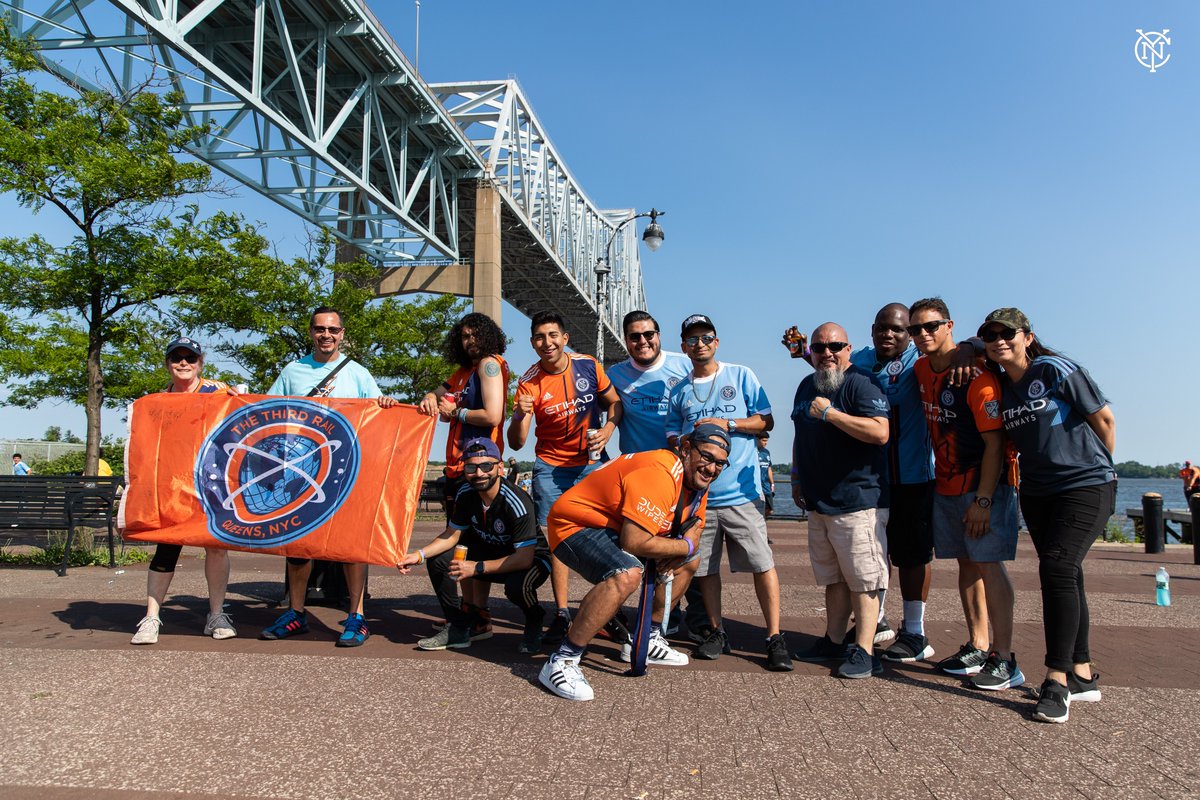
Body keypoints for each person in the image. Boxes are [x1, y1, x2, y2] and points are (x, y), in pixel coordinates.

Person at [980, 308, 1116, 723]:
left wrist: (1094, 470)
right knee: (1066, 573)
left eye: (1008, 333)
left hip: (1085, 486)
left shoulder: (1055, 369)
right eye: (990, 335)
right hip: (1038, 492)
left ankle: (1055, 680)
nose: (999, 340)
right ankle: (1082, 674)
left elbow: (1104, 421)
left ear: (1027, 337)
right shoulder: (1000, 386)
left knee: (1056, 568)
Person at [538, 424, 729, 701]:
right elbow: (634, 541)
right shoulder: (661, 473)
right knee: (627, 573)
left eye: (720, 463)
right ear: (686, 449)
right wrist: (682, 545)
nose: (712, 468)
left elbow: (695, 525)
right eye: (707, 457)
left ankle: (646, 639)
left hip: (612, 527)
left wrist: (685, 548)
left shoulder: (697, 481)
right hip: (573, 525)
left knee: (690, 562)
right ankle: (562, 660)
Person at [260, 308, 399, 647]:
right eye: (320, 329)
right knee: (299, 546)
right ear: (310, 332)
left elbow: (377, 417)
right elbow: (266, 410)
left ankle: (357, 616)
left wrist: (385, 403)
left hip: (344, 471)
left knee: (351, 547)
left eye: (333, 330)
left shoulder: (358, 373)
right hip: (301, 472)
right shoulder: (292, 371)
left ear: (342, 333)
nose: (326, 335)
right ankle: (296, 613)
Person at [905, 299, 1023, 691]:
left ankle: (1005, 659)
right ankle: (978, 643)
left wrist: (984, 500)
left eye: (931, 326)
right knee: (967, 564)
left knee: (989, 564)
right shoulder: (921, 367)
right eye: (915, 329)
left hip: (983, 486)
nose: (923, 334)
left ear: (949, 325)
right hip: (946, 484)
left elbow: (995, 443)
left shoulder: (977, 376)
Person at [666, 314, 792, 672]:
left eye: (705, 338)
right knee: (705, 569)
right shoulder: (679, 390)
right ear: (684, 346)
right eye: (691, 340)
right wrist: (684, 440)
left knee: (762, 565)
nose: (699, 344)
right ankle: (718, 631)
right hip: (701, 496)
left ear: (716, 342)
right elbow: (671, 434)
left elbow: (766, 420)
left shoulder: (741, 375)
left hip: (742, 492)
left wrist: (729, 423)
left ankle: (774, 636)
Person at [507, 311, 622, 647]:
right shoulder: (528, 382)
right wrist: (520, 414)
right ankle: (561, 612)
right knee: (559, 540)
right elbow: (516, 442)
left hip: (591, 463)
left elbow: (614, 404)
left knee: (607, 533)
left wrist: (607, 430)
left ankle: (607, 606)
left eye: (553, 335)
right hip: (551, 468)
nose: (547, 343)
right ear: (532, 343)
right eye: (540, 337)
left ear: (565, 338)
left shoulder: (587, 365)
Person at [790, 322, 891, 679]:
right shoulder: (807, 384)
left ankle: (865, 649)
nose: (827, 353)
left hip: (858, 501)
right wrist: (797, 477)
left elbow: (880, 432)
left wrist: (831, 414)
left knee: (864, 579)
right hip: (820, 501)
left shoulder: (862, 383)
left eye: (835, 346)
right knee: (833, 578)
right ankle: (833, 640)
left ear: (849, 349)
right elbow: (800, 433)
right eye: (819, 348)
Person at [130, 336, 238, 645]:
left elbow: (239, 420)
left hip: (210, 484)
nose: (183, 363)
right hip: (174, 486)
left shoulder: (217, 392)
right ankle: (151, 616)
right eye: (177, 358)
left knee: (216, 546)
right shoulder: (158, 401)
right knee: (166, 545)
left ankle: (216, 614)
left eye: (190, 358)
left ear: (200, 363)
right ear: (167, 364)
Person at [398, 438, 550, 653]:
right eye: (471, 467)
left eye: (486, 466)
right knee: (439, 559)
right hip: (491, 554)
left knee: (517, 588)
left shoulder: (517, 501)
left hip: (530, 560)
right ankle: (459, 627)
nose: (479, 473)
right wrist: (418, 555)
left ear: (500, 467)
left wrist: (477, 567)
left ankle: (534, 620)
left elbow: (524, 557)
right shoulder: (465, 493)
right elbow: (451, 535)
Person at [847, 303, 935, 649]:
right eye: (882, 328)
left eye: (898, 329)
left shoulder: (920, 360)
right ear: (872, 330)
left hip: (914, 477)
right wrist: (803, 350)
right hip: (871, 479)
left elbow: (959, 349)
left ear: (910, 334)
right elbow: (830, 360)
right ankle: (876, 620)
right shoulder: (864, 359)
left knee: (913, 556)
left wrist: (967, 352)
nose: (889, 334)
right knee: (872, 553)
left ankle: (914, 631)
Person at [418, 312, 509, 641]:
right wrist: (431, 397)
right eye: (464, 336)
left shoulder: (489, 365)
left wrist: (454, 411)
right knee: (469, 545)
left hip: (477, 469)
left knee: (467, 544)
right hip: (458, 468)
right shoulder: (463, 371)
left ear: (487, 336)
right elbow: (438, 392)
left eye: (474, 335)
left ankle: (468, 620)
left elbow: (493, 414)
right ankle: (474, 617)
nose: (469, 341)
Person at [606, 311, 692, 455]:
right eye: (634, 336)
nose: (642, 341)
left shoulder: (687, 366)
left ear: (658, 336)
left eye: (649, 334)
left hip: (681, 463)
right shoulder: (614, 375)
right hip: (638, 466)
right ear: (626, 340)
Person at [757, 433, 776, 521]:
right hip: (757, 486)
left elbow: (769, 468)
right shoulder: (753, 451)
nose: (766, 443)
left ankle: (761, 524)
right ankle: (760, 530)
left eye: (767, 441)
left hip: (766, 486)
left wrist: (772, 484)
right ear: (757, 440)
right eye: (763, 440)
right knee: (756, 509)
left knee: (770, 510)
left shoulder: (766, 452)